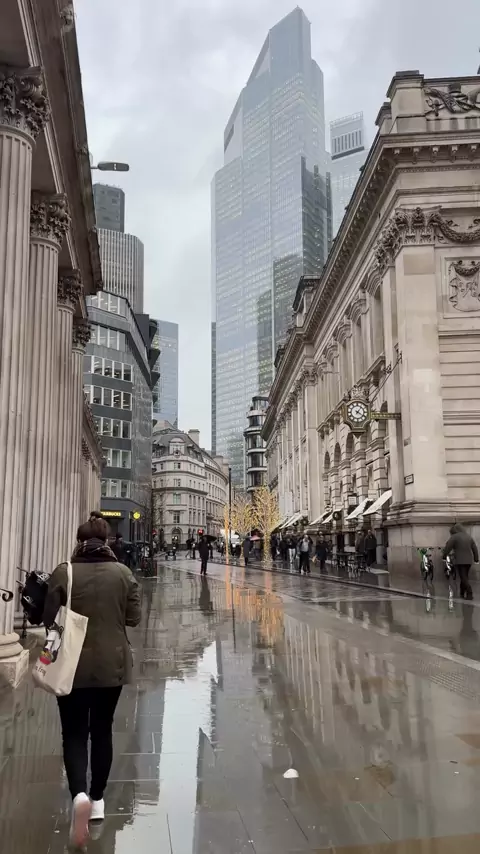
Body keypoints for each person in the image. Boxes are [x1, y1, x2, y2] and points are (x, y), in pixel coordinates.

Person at [43, 517, 141, 848]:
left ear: (79, 541)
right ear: (108, 542)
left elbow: (47, 617)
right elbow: (134, 618)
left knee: (73, 732)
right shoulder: (123, 574)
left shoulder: (64, 572)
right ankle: (98, 799)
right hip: (112, 665)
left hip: (70, 665)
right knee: (102, 730)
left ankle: (79, 795)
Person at [443, 523, 479, 600]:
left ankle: (469, 593)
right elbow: (474, 548)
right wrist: (476, 559)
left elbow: (448, 547)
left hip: (460, 560)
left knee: (463, 578)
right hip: (469, 560)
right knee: (465, 576)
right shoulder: (468, 537)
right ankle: (462, 593)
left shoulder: (454, 537)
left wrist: (444, 556)